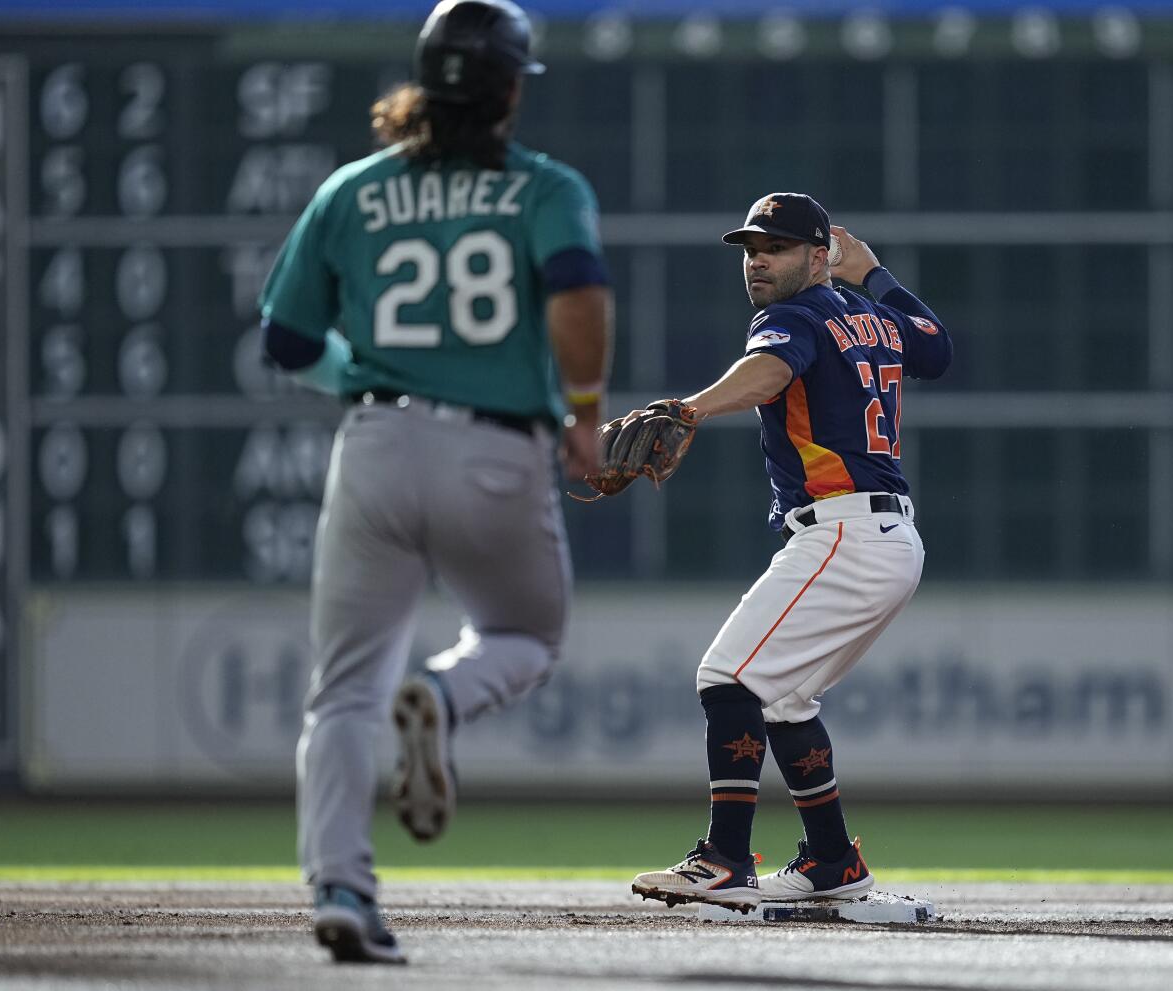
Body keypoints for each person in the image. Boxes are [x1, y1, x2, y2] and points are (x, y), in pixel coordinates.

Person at [257, 0, 612, 963]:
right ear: (507, 89)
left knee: (340, 693)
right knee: (526, 635)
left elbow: (285, 337)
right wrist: (584, 414)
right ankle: (445, 700)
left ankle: (340, 886)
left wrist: (371, 379)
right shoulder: (543, 187)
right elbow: (577, 291)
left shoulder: (353, 187)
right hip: (495, 450)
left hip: (373, 443)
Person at [628, 193, 952, 910]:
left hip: (844, 531)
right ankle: (834, 862)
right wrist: (875, 275)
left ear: (816, 256)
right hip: (887, 536)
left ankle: (723, 859)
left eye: (773, 248)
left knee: (727, 680)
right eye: (750, 249)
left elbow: (769, 373)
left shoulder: (792, 316)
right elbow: (935, 346)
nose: (757, 262)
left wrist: (689, 408)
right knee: (785, 700)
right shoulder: (871, 317)